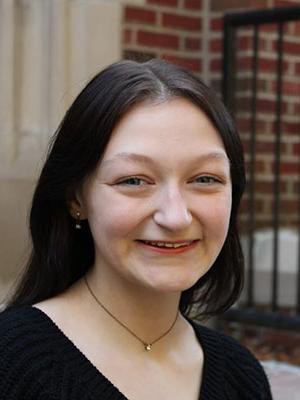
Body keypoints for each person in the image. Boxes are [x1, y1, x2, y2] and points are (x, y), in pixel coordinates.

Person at [0, 59, 272, 399]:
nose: (176, 217)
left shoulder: (241, 376)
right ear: (75, 199)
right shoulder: (11, 364)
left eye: (205, 179)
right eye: (133, 180)